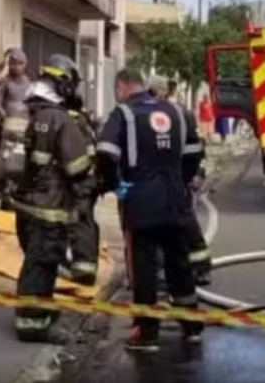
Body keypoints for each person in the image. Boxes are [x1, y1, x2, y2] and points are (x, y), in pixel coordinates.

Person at [98, 68, 204, 351]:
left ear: (121, 87)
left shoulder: (124, 113)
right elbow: (194, 152)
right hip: (175, 199)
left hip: (141, 201)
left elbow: (105, 152)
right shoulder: (175, 111)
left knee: (143, 267)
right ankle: (192, 325)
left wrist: (115, 185)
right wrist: (181, 180)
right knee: (179, 261)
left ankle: (146, 333)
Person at [9, 53, 95, 344]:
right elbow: (77, 168)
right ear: (64, 84)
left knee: (34, 261)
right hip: (49, 208)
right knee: (42, 266)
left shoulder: (29, 110)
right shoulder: (60, 119)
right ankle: (32, 325)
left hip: (24, 205)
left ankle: (42, 312)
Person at [149, 77, 213, 288]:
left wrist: (191, 176)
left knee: (175, 223)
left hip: (171, 181)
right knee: (183, 222)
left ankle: (185, 269)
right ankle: (197, 268)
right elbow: (196, 149)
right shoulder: (180, 113)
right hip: (177, 179)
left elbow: (194, 148)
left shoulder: (165, 115)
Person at [59, 95, 101, 287]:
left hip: (80, 182)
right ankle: (86, 265)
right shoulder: (84, 121)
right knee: (86, 221)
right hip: (90, 181)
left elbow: (72, 157)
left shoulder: (71, 122)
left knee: (79, 222)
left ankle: (83, 268)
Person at [0, 47, 32, 201]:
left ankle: (8, 184)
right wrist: (2, 116)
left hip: (18, 124)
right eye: (12, 62)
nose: (15, 66)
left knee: (13, 154)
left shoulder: (27, 83)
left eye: (19, 63)